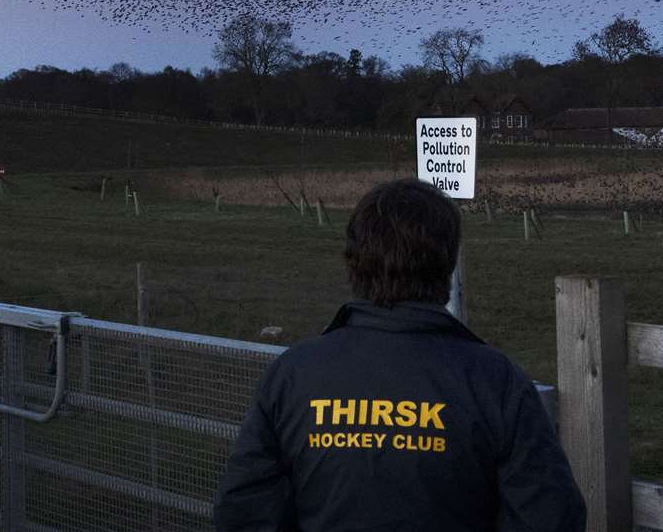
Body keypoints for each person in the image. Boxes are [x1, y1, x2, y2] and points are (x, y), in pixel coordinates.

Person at [213, 178, 586, 532]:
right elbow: (549, 516)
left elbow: (244, 511)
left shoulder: (293, 374)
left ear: (352, 262)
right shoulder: (496, 381)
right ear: (447, 263)